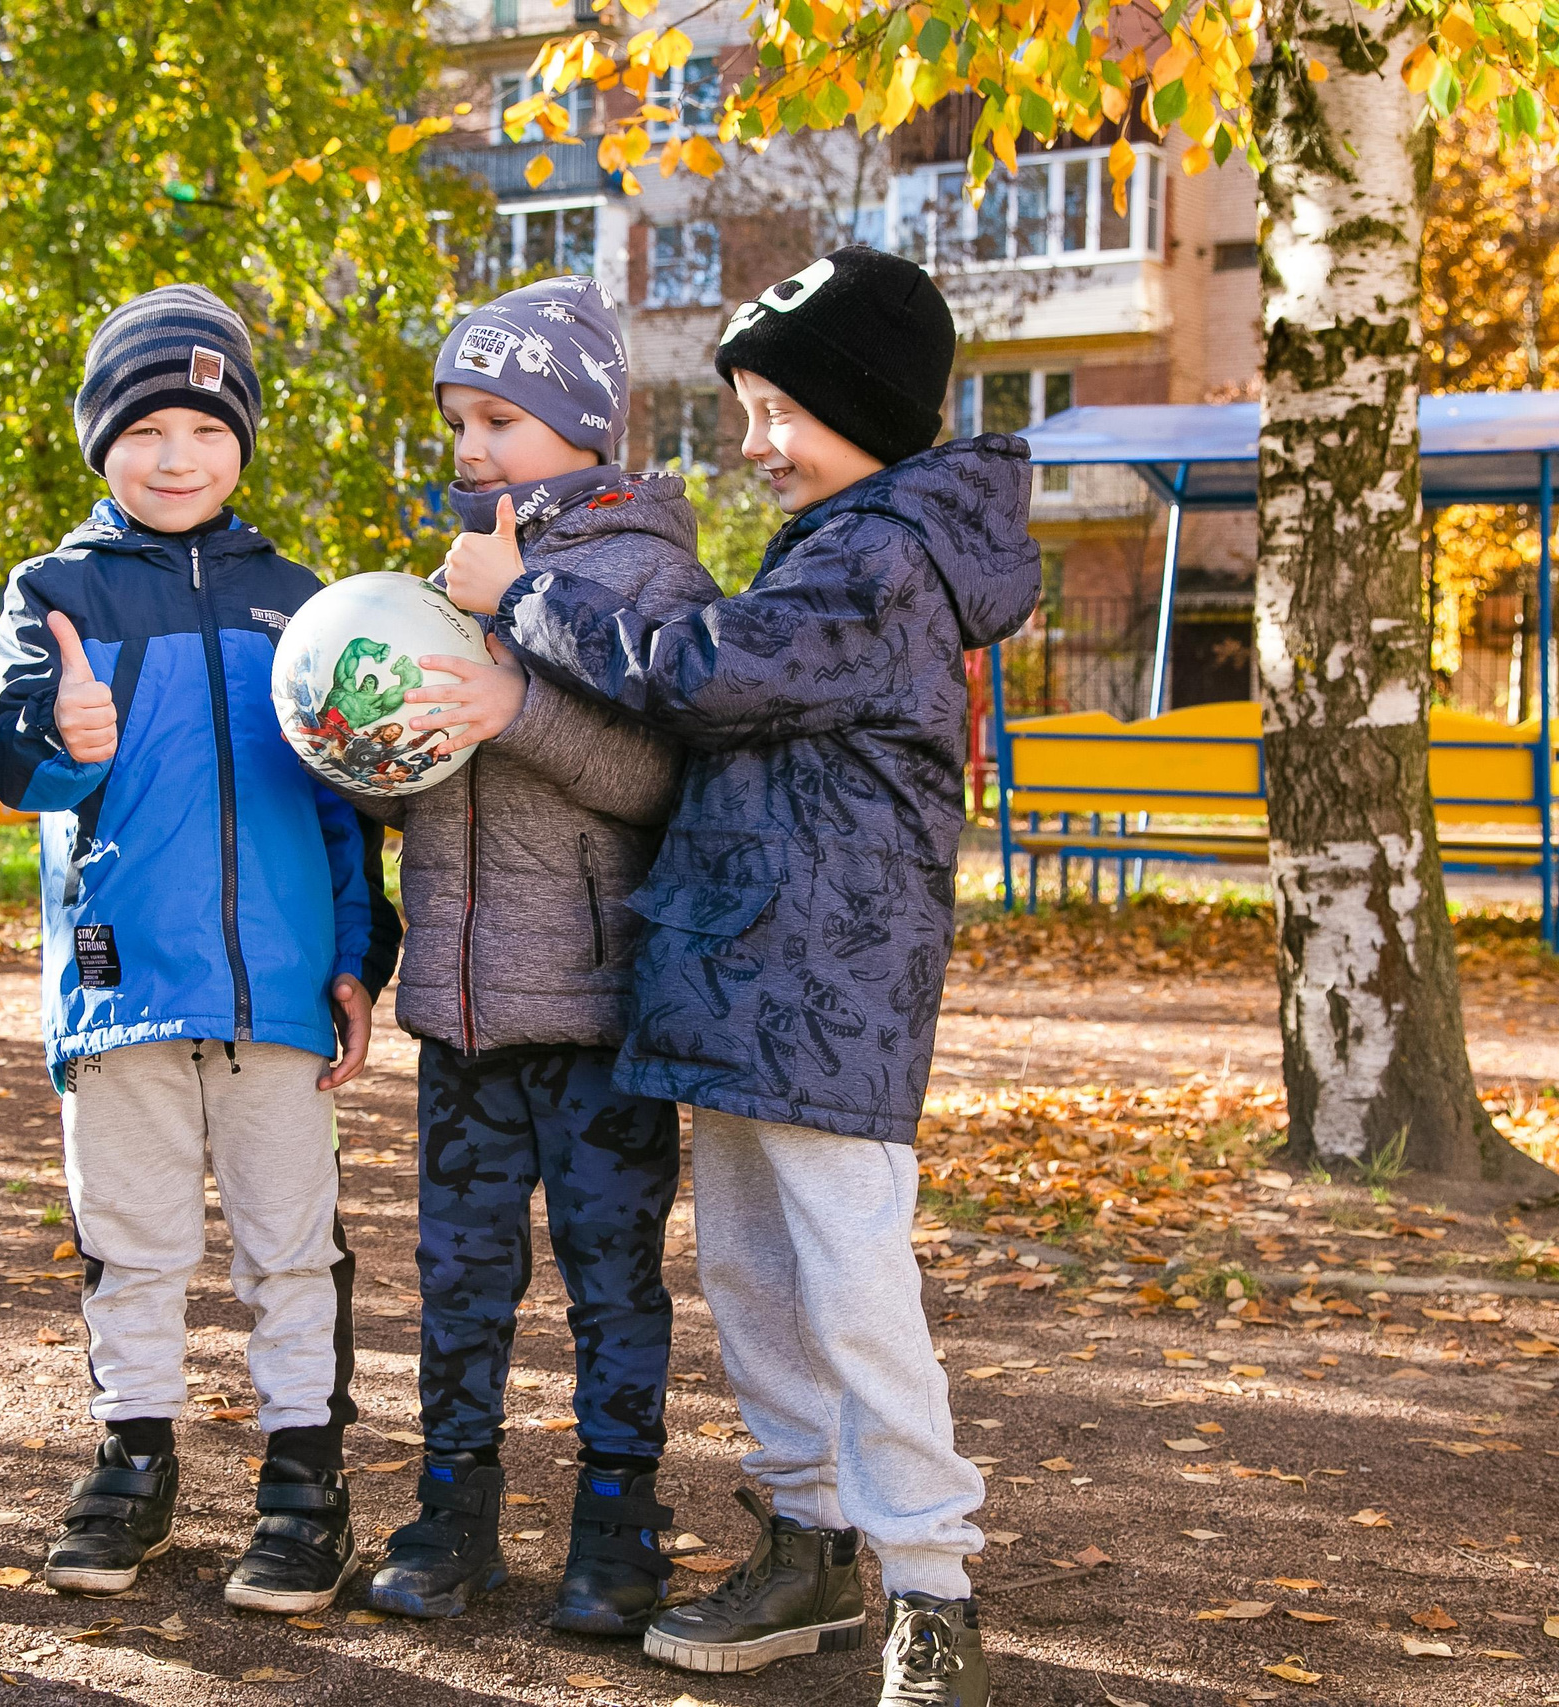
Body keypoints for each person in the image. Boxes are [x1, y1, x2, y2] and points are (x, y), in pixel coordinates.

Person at [442, 248, 1042, 1707]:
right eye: (745, 410)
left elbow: (699, 672)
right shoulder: (834, 538)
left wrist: (525, 595)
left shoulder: (882, 556)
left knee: (852, 1288)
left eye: (782, 411)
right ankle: (806, 1540)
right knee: (755, 1275)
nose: (756, 442)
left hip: (827, 993)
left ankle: (933, 1587)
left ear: (868, 410)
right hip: (737, 974)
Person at [0, 284, 384, 1615]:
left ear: (240, 441)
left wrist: (355, 957)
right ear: (103, 442)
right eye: (144, 430)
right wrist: (62, 735)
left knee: (291, 1246)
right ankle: (131, 1460)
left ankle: (304, 1479)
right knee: (132, 1239)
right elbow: (15, 767)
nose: (175, 456)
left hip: (279, 990)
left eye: (204, 429)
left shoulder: (300, 604)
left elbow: (341, 803)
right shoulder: (53, 592)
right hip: (121, 983)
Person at [350, 277, 718, 1635]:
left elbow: (658, 782)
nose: (471, 446)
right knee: (459, 1279)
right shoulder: (452, 573)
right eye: (458, 420)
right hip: (457, 1014)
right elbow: (421, 784)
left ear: (584, 421)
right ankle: (452, 1509)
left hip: (597, 1018)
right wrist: (361, 743)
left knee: (613, 1279)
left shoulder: (651, 579)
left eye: (499, 418)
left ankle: (618, 1522)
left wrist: (516, 701)